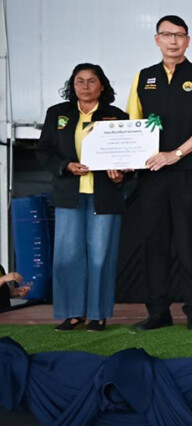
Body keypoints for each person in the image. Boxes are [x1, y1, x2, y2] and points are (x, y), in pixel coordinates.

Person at [127, 16, 192, 332]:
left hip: (188, 173)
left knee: (190, 243)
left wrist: (176, 154)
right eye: (166, 34)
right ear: (157, 39)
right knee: (153, 243)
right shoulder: (143, 77)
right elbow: (134, 125)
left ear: (188, 40)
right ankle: (158, 312)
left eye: (179, 35)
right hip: (152, 174)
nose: (173, 40)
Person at [37, 63, 128, 332]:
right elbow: (44, 150)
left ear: (102, 85)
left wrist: (121, 175)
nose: (85, 86)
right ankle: (73, 313)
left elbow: (128, 156)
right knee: (68, 256)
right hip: (69, 195)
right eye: (80, 81)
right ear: (72, 85)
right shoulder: (57, 113)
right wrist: (65, 165)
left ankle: (98, 315)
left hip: (105, 196)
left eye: (91, 81)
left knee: (101, 257)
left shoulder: (117, 116)